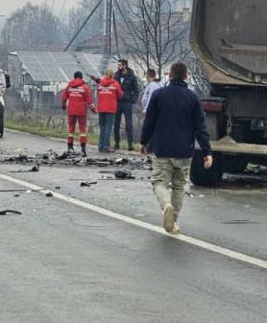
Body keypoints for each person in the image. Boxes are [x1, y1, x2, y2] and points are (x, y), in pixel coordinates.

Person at [140, 62, 212, 234]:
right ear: (186, 76)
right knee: (179, 186)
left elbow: (149, 121)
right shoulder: (193, 98)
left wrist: (144, 142)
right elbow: (200, 127)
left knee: (159, 182)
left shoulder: (158, 95)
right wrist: (207, 152)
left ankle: (166, 206)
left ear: (170, 75)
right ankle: (174, 221)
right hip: (184, 150)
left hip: (162, 148)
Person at [60, 71, 94, 157]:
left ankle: (70, 147)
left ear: (74, 77)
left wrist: (63, 105)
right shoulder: (85, 87)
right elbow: (89, 101)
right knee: (82, 129)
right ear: (81, 78)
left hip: (71, 109)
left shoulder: (70, 86)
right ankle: (83, 148)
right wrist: (94, 109)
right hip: (81, 110)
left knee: (71, 129)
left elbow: (64, 96)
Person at [91, 71, 123, 153]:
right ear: (112, 75)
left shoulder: (100, 84)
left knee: (102, 127)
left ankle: (100, 146)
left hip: (101, 107)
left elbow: (98, 93)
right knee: (108, 127)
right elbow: (120, 94)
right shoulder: (115, 84)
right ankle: (106, 146)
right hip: (111, 108)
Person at [114, 59, 141, 151]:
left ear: (125, 65)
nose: (118, 67)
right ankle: (117, 143)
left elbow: (136, 90)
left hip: (127, 102)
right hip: (117, 102)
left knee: (128, 124)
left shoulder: (131, 76)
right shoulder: (116, 75)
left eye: (120, 65)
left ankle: (130, 144)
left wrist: (132, 100)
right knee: (116, 123)